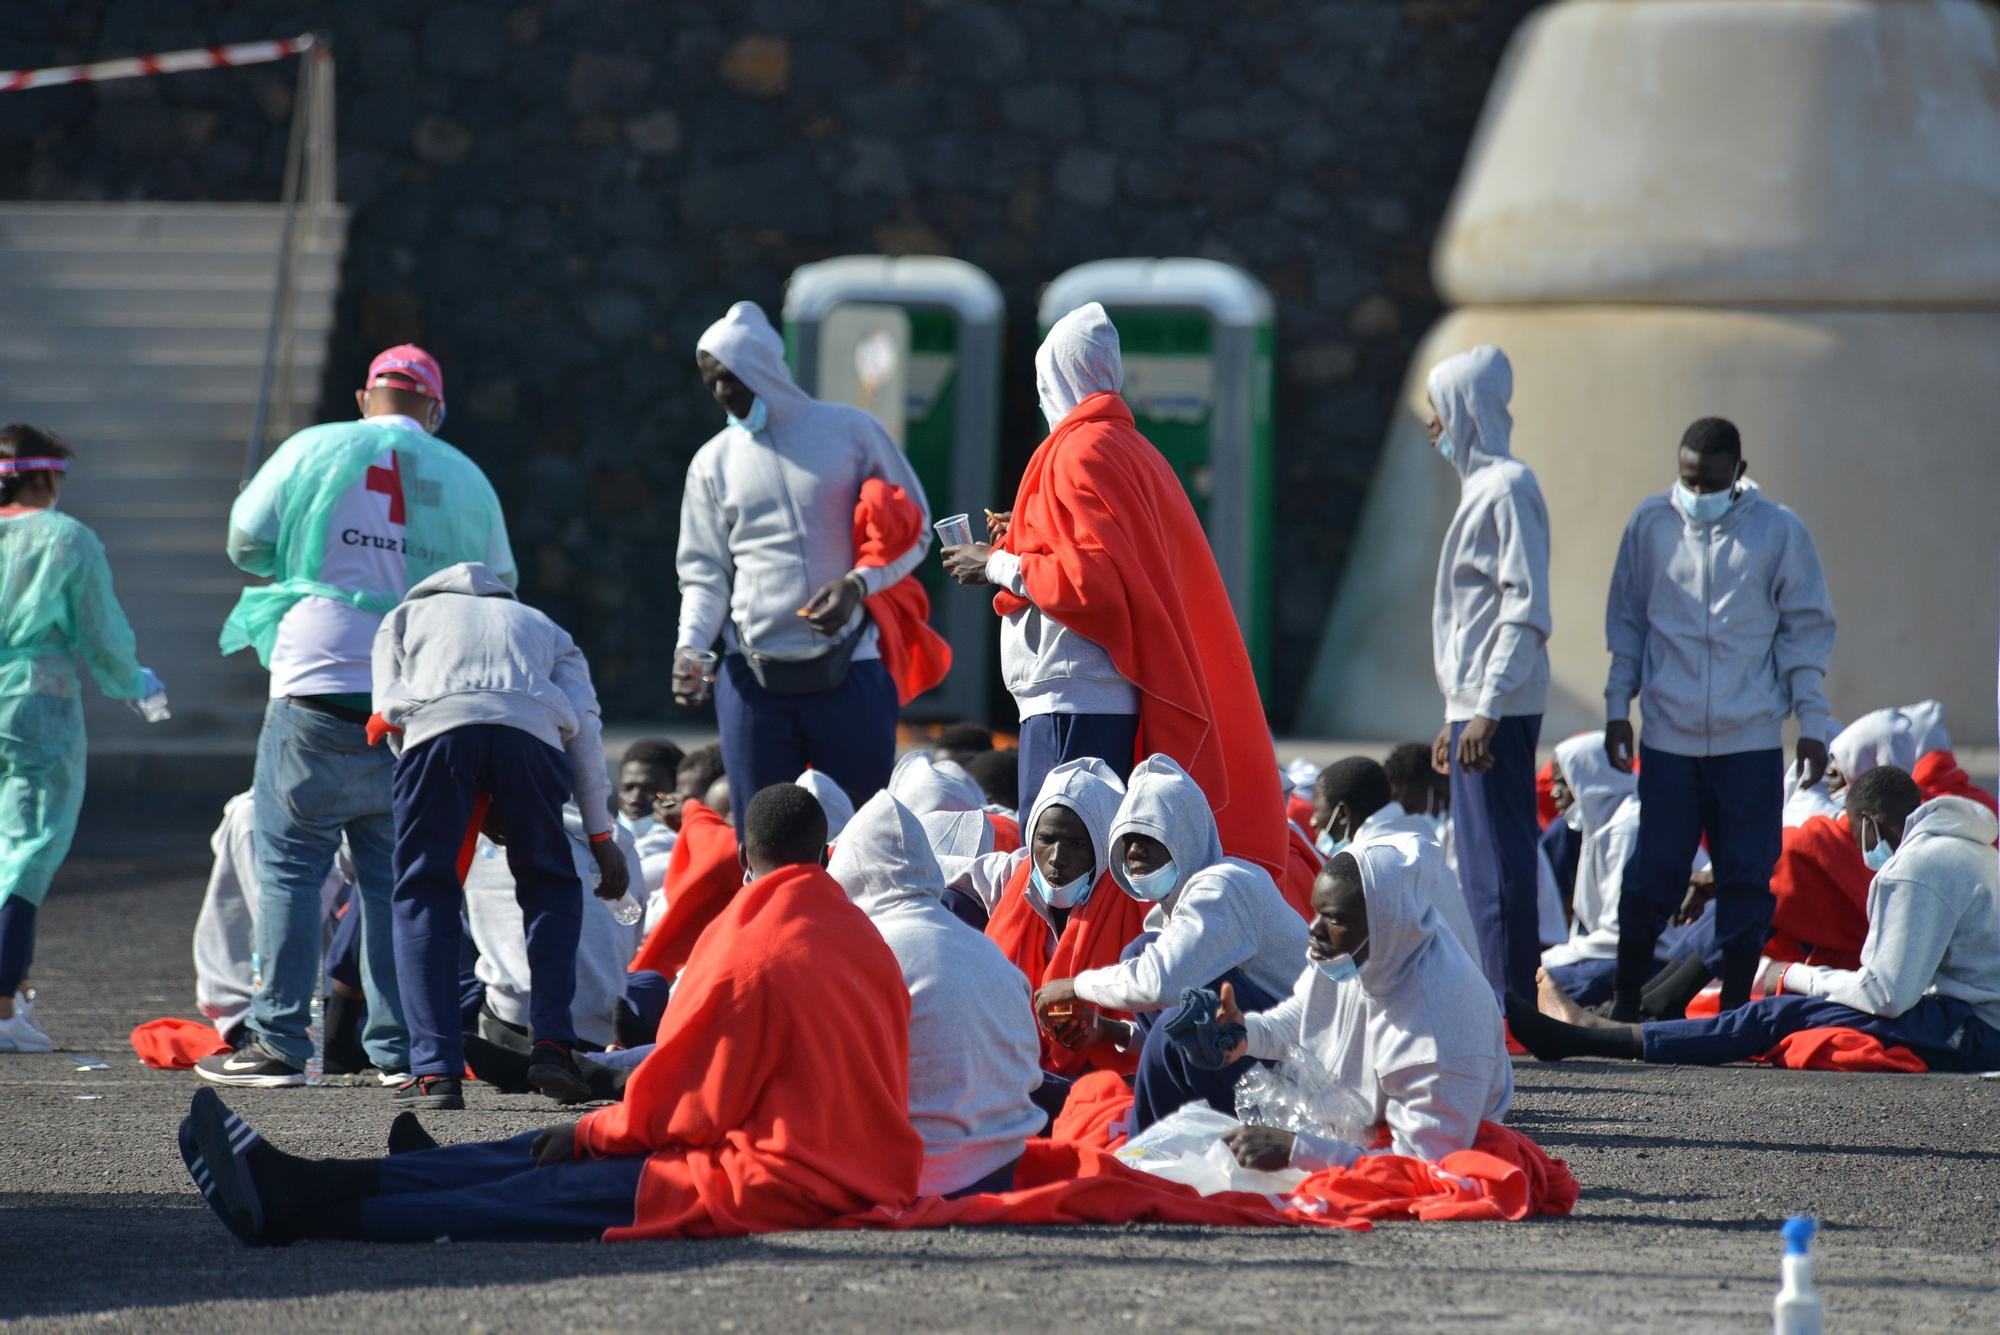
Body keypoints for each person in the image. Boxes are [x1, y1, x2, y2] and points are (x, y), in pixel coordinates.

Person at [177, 784, 926, 1244]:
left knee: (527, 1191)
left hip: (769, 1177)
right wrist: (594, 1128)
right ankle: (322, 1177)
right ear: (824, 856)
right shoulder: (867, 941)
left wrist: (594, 1128)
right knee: (538, 1156)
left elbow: (690, 1101)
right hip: (838, 1169)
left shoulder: (747, 942)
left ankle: (297, 1209)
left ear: (744, 859)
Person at [205, 346, 512, 1088]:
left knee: (289, 865)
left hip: (315, 672)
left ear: (364, 396)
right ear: (434, 410)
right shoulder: (465, 473)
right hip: (414, 689)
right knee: (391, 878)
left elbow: (245, 539)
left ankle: (278, 1041)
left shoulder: (315, 447)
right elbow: (497, 582)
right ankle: (398, 1048)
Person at [942, 305, 1286, 879]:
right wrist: (1028, 535)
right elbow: (1113, 561)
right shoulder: (1131, 449)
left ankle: (1067, 971)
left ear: (1053, 377)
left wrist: (998, 563)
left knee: (1063, 873)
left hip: (1073, 697)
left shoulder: (1080, 450)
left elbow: (1090, 583)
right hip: (1092, 695)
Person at [1509, 767, 2000, 1073]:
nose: (1858, 847)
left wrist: (1787, 976)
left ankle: (1589, 1037)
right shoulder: (1962, 848)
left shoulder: (1914, 868)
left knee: (1776, 1012)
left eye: (1853, 833)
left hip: (1976, 1032)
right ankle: (1597, 1029)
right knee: (1776, 1009)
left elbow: (1885, 997)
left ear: (1869, 821)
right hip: (1973, 1019)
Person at [364, 561, 627, 1109]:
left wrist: (465, 801)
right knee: (550, 887)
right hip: (533, 740)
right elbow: (585, 727)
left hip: (436, 737)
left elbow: (390, 714)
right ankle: (553, 1047)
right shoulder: (541, 625)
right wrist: (601, 836)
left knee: (424, 896)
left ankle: (436, 1071)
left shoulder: (405, 616)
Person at [1602, 416, 1836, 1017]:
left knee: (1744, 880)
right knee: (1654, 873)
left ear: (1740, 472)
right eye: (1687, 480)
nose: (1696, 494)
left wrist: (1812, 723)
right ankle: (1627, 1002)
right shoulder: (1650, 525)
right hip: (1670, 740)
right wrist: (1615, 707)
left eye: (1709, 482)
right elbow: (1627, 622)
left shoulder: (1779, 532)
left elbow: (1804, 632)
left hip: (1749, 742)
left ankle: (1734, 1009)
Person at [673, 302, 930, 827]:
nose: (722, 394)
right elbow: (704, 573)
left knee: (863, 837)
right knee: (762, 841)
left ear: (762, 369)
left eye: (730, 378)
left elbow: (915, 527)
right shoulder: (713, 461)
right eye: (711, 383)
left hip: (851, 666)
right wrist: (691, 647)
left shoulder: (851, 431)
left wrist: (860, 584)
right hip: (753, 678)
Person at [1032, 755, 1308, 1132]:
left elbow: (1160, 984)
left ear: (1186, 837)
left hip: (1303, 1071)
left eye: (1149, 836)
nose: (1134, 852)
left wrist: (1076, 986)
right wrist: (1110, 1032)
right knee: (1148, 963)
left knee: (1176, 1023)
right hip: (1258, 1056)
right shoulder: (1166, 919)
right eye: (1127, 840)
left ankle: (1140, 1159)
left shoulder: (1224, 887)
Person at [0, 427, 162, 1051]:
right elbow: (100, 632)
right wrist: (131, 681)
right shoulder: (66, 540)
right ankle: (3, 1001)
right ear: (45, 478)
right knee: (26, 850)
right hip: (34, 700)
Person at [1216, 841, 1514, 1173]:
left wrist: (1297, 1151)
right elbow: (1306, 1015)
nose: (1313, 929)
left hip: (1413, 1150)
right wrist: (1246, 1033)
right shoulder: (1372, 951)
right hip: (1351, 1132)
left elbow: (1424, 1165)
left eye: (1332, 919)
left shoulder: (1439, 1025)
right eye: (1316, 912)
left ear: (1384, 922)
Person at [828, 793, 1044, 1196]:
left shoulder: (865, 953)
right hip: (1003, 1162)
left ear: (849, 869)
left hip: (910, 1173)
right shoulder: (988, 948)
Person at [1422, 346, 1552, 1005]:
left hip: (1496, 707)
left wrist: (1489, 707)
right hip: (1476, 704)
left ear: (1466, 412)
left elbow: (1524, 608)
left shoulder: (1507, 487)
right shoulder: (1482, 490)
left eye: (1438, 411)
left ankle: (1512, 1004)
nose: (1432, 426)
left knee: (1499, 866)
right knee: (1477, 866)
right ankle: (1502, 999)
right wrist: (1458, 707)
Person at [979, 759, 1150, 1084]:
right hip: (1015, 1076)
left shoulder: (1143, 912)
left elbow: (1167, 1036)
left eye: (1075, 843)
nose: (1057, 857)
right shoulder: (1011, 884)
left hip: (1118, 1088)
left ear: (1102, 849)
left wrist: (1105, 1031)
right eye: (1046, 840)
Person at [463, 802, 643, 1079]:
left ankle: (579, 1065)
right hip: (603, 1025)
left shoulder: (485, 836)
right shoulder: (623, 848)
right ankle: (598, 1063)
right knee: (649, 982)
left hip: (516, 1015)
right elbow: (631, 941)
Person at [1538, 732, 1707, 1007]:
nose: (1554, 792)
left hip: (1660, 963)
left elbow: (1621, 932)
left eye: (1562, 781)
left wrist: (1551, 958)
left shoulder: (1629, 826)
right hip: (1622, 955)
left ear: (1588, 777)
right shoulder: (1602, 826)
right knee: (1542, 981)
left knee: (1549, 984)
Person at [192, 792, 355, 1052]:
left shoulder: (353, 802)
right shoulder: (258, 816)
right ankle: (276, 1043)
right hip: (262, 1003)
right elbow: (280, 931)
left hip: (340, 995)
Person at [1311, 757, 1478, 958]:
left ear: (1343, 813)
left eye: (1317, 810)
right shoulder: (1417, 840)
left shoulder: (1369, 865)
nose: (1313, 821)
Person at [614, 738, 684, 898]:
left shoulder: (684, 851)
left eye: (651, 789)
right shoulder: (596, 840)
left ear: (676, 793)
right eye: (627, 788)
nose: (634, 799)